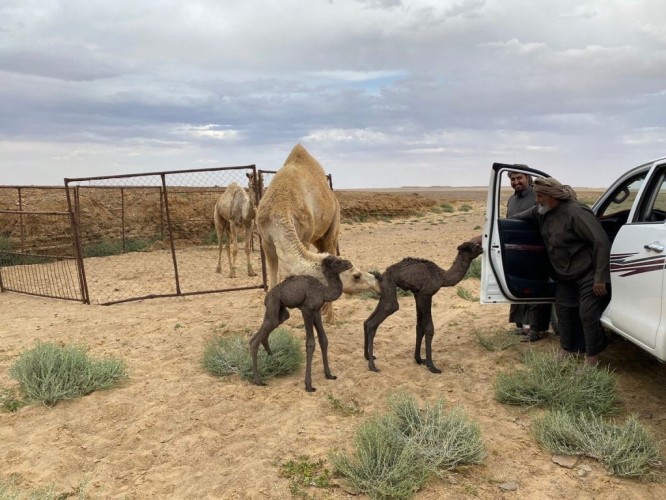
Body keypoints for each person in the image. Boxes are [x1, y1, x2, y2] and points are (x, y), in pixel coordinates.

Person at [512, 176, 611, 366]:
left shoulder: (576, 212)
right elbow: (515, 219)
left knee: (587, 315)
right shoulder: (541, 212)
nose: (536, 199)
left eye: (540, 196)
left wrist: (600, 276)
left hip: (587, 274)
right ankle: (566, 350)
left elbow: (601, 242)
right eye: (536, 195)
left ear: (552, 196)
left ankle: (591, 359)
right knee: (564, 312)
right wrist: (490, 230)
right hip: (565, 276)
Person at [505, 170, 552, 342]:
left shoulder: (537, 195)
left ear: (528, 178)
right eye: (512, 179)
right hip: (516, 250)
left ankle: (537, 329)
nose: (516, 181)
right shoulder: (512, 199)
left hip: (537, 249)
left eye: (519, 178)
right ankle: (521, 325)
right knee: (518, 286)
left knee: (536, 288)